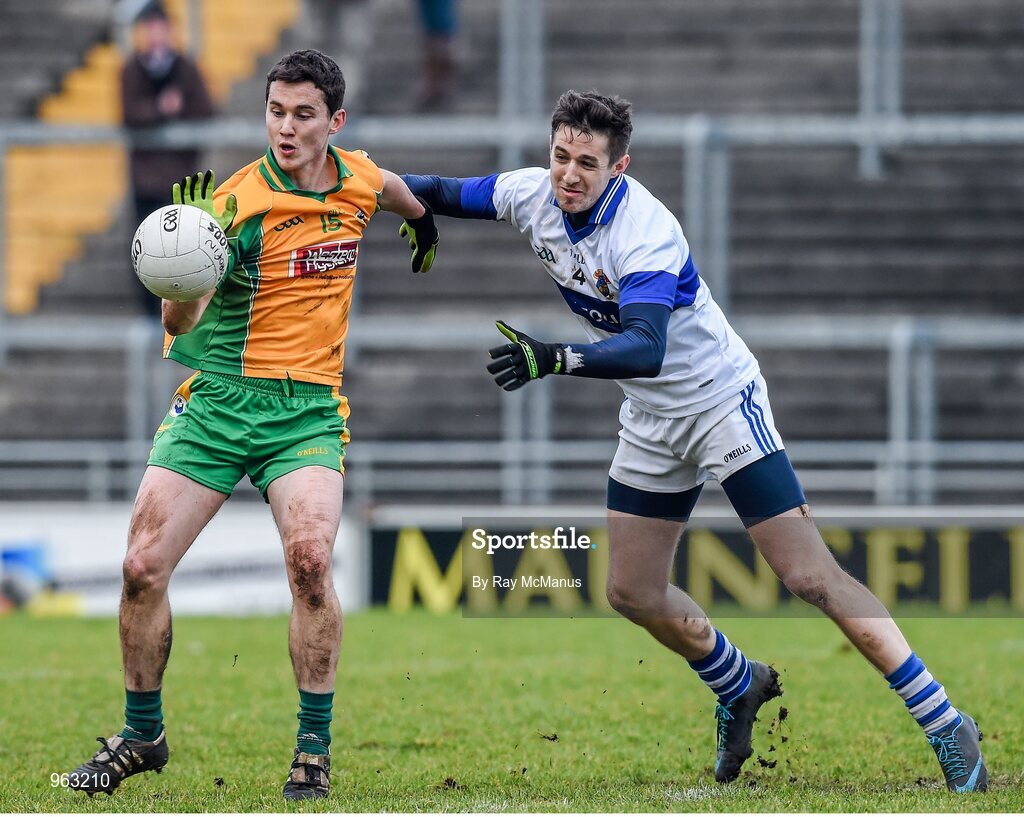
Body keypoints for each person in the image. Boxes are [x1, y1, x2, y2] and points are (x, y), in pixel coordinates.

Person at [400, 90, 988, 793]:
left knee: (808, 576)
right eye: (561, 156)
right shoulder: (531, 193)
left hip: (718, 402)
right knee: (631, 590)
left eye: (587, 163)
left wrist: (553, 357)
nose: (568, 174)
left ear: (620, 166)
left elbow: (646, 346)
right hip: (652, 417)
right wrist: (354, 183)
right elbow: (435, 190)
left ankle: (945, 721)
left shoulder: (645, 232)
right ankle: (738, 682)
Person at [67, 49, 439, 801]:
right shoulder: (235, 204)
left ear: (334, 122)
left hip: (303, 411)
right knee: (141, 567)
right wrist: (185, 269)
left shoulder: (357, 180)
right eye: (276, 111)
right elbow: (180, 320)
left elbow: (390, 186)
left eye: (304, 114)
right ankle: (143, 734)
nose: (286, 127)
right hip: (216, 404)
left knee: (308, 560)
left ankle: (312, 750)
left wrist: (424, 224)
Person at [121, 1, 215, 317]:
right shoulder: (132, 69)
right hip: (146, 181)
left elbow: (205, 108)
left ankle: (180, 318)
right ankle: (151, 316)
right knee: (146, 251)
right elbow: (129, 113)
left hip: (179, 180)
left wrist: (179, 108)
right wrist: (160, 109)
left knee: (181, 253)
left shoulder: (186, 68)